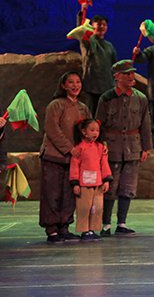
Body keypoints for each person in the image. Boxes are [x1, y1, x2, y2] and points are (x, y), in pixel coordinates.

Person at [96, 60, 153, 237]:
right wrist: (100, 146)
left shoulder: (140, 98)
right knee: (110, 186)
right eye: (126, 73)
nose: (131, 76)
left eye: (132, 73)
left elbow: (145, 124)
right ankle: (106, 224)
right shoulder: (106, 98)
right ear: (117, 76)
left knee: (128, 186)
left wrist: (146, 148)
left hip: (133, 146)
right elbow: (99, 124)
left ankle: (122, 223)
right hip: (112, 146)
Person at [39, 71, 92, 243]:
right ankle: (52, 229)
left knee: (69, 195)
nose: (75, 85)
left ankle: (64, 227)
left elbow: (89, 130)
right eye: (71, 82)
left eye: (78, 82)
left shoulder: (83, 108)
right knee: (52, 193)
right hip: (54, 156)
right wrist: (69, 149)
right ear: (63, 85)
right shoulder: (56, 105)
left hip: (74, 159)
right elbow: (52, 129)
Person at [70, 119, 112, 242]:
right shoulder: (79, 148)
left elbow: (104, 164)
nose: (95, 133)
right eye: (92, 130)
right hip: (84, 184)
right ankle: (85, 230)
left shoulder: (100, 148)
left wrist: (106, 180)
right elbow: (74, 166)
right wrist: (75, 183)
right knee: (84, 208)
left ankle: (93, 229)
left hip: (98, 184)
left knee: (97, 208)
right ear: (84, 132)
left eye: (97, 130)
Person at [75, 8, 117, 115]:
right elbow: (81, 29)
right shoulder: (88, 40)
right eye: (98, 24)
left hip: (108, 85)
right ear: (92, 25)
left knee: (106, 115)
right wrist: (82, 11)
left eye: (104, 24)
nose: (101, 26)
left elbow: (114, 65)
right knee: (92, 115)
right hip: (92, 85)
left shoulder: (109, 45)